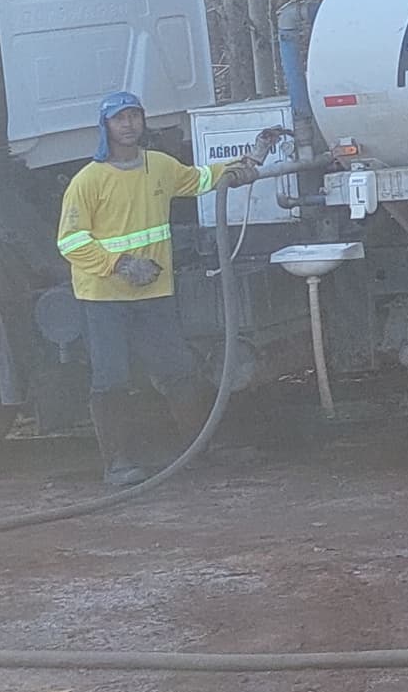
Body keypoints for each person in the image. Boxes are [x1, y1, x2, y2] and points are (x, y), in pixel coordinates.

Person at [56, 94, 291, 487]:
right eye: (120, 119)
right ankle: (117, 463)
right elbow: (70, 242)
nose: (129, 125)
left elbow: (202, 179)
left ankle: (199, 450)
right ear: (106, 126)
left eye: (134, 116)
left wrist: (251, 158)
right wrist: (121, 265)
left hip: (153, 292)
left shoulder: (159, 167)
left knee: (178, 371)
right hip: (104, 297)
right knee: (111, 378)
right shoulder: (88, 181)